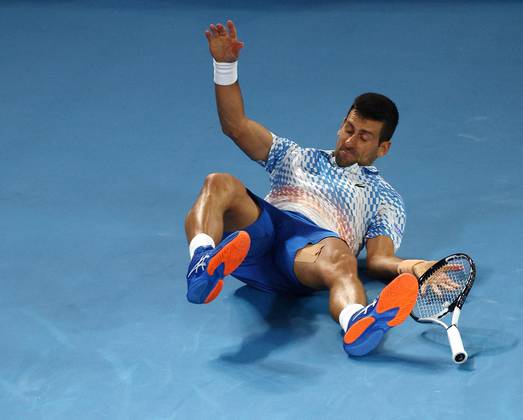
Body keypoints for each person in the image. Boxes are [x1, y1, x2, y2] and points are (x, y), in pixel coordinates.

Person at [185, 20, 454, 357]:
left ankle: (356, 322)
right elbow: (235, 126)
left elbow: (379, 258)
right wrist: (225, 65)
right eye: (348, 128)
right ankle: (201, 264)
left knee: (342, 258)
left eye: (364, 136)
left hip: (308, 253)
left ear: (383, 148)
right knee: (219, 182)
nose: (350, 140)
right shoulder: (295, 156)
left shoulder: (385, 197)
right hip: (258, 236)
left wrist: (415, 267)